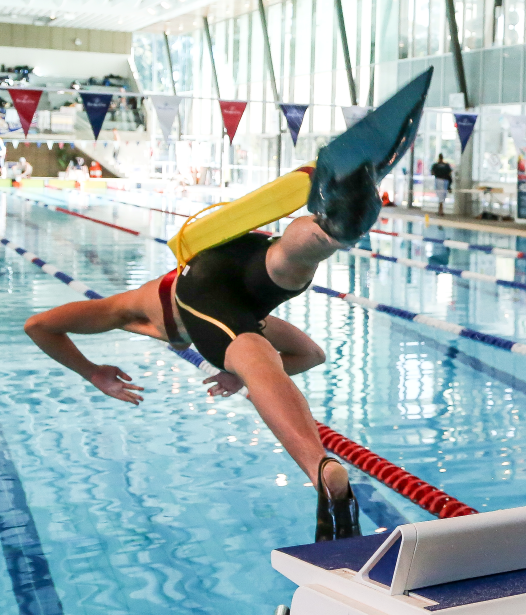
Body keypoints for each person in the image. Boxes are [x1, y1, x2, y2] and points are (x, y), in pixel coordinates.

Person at [23, 72, 431, 542]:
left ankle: (318, 466)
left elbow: (40, 326)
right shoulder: (205, 310)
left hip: (198, 294)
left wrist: (94, 372)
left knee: (250, 352)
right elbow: (312, 355)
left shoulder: (123, 308)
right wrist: (240, 372)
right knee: (283, 263)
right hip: (234, 257)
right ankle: (329, 229)